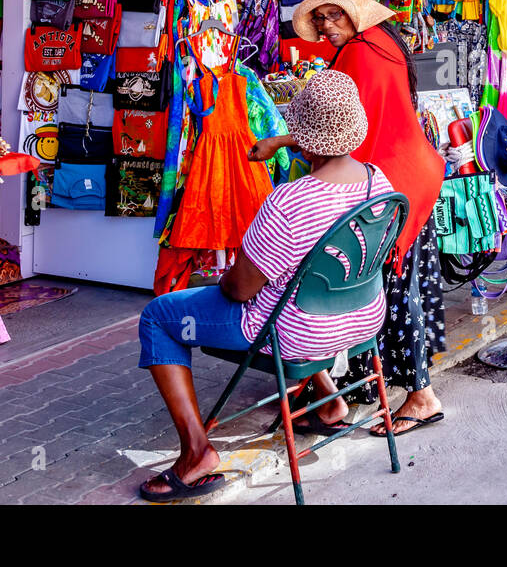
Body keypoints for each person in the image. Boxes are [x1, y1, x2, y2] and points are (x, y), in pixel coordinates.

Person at [136, 70, 390, 501]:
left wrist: (214, 284)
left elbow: (238, 290)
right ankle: (330, 402)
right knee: (298, 292)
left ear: (305, 138)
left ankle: (197, 453)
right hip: (362, 323)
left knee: (158, 316)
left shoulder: (291, 201)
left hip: (298, 332)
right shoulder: (378, 182)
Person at [250, 0, 447, 436]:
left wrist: (279, 141)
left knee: (390, 290)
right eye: (318, 18)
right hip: (412, 171)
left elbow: (334, 131)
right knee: (397, 284)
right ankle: (359, 387)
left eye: (332, 14)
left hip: (390, 180)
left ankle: (420, 396)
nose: (324, 27)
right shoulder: (384, 40)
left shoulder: (360, 54)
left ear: (355, 10)